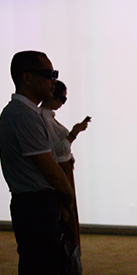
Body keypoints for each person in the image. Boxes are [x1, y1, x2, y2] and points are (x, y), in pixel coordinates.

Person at [0, 50, 80, 275]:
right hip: (36, 205)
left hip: (34, 204)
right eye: (48, 74)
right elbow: (48, 167)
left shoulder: (25, 113)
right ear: (26, 77)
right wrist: (67, 196)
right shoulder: (24, 115)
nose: (52, 80)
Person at [40, 80, 90, 249]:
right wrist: (75, 132)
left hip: (64, 167)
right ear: (52, 96)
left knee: (67, 211)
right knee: (65, 212)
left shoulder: (47, 118)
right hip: (61, 169)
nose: (63, 103)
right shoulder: (45, 120)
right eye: (62, 99)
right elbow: (58, 150)